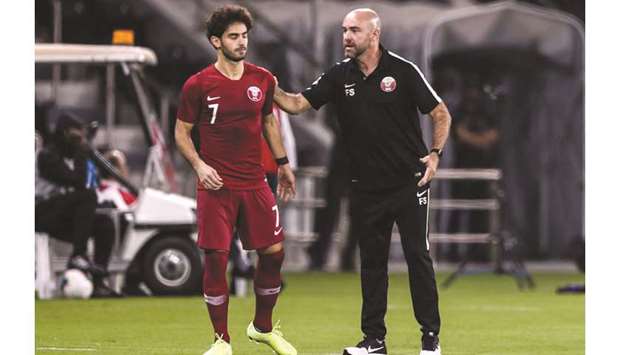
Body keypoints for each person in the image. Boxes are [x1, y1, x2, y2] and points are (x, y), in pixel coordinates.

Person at [273, 8, 451, 355]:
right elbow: (296, 105)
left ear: (374, 34)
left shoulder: (403, 71)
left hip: (408, 183)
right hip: (367, 187)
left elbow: (440, 112)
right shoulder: (339, 76)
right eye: (343, 30)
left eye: (354, 30)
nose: (346, 37)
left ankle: (430, 340)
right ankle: (374, 342)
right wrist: (266, 85)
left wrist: (435, 154)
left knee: (418, 257)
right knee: (371, 264)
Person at [174, 5, 297, 355]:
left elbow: (270, 123)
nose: (242, 42)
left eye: (244, 36)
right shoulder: (197, 85)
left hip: (255, 182)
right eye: (233, 37)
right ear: (216, 41)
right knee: (216, 258)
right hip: (216, 186)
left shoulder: (262, 79)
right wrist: (199, 166)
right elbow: (181, 133)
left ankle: (262, 328)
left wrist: (283, 163)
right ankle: (221, 341)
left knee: (274, 254)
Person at [35, 113, 121, 298]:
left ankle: (98, 284)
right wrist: (83, 154)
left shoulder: (72, 156)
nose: (81, 141)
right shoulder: (47, 156)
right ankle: (78, 255)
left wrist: (87, 155)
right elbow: (78, 183)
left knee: (105, 224)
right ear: (66, 133)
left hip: (62, 214)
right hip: (41, 213)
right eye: (77, 136)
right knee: (87, 196)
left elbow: (94, 180)